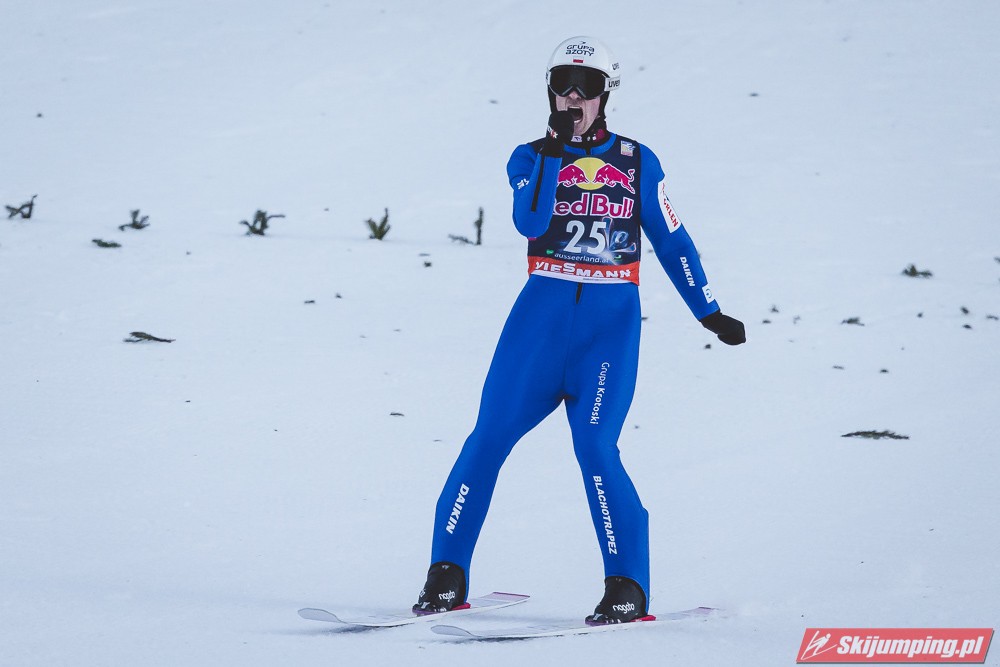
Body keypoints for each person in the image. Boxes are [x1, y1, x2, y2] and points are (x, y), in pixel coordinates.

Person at [413, 36, 746, 624]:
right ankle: (446, 574)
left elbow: (672, 239)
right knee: (487, 438)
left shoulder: (638, 161)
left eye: (586, 85)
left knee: (595, 447)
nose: (573, 95)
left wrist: (708, 310)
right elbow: (530, 221)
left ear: (604, 94)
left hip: (607, 333)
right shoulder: (528, 157)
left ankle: (627, 585)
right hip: (536, 329)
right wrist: (553, 153)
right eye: (562, 84)